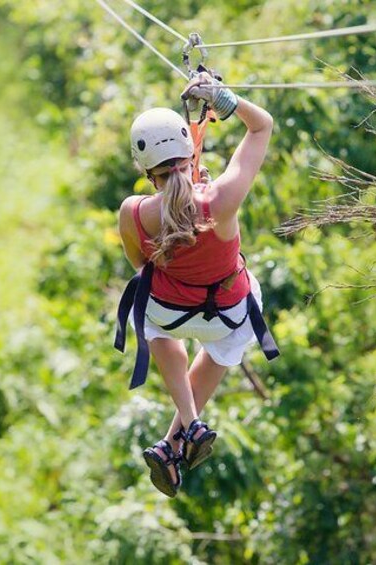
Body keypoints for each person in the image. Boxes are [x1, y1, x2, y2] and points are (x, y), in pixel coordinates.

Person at [116, 72, 277, 497]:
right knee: (226, 340)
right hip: (228, 312)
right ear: (191, 153)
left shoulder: (132, 213)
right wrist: (225, 100)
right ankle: (180, 435)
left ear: (146, 171)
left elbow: (141, 264)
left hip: (170, 310)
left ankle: (185, 430)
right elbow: (263, 125)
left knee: (147, 310)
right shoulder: (221, 200)